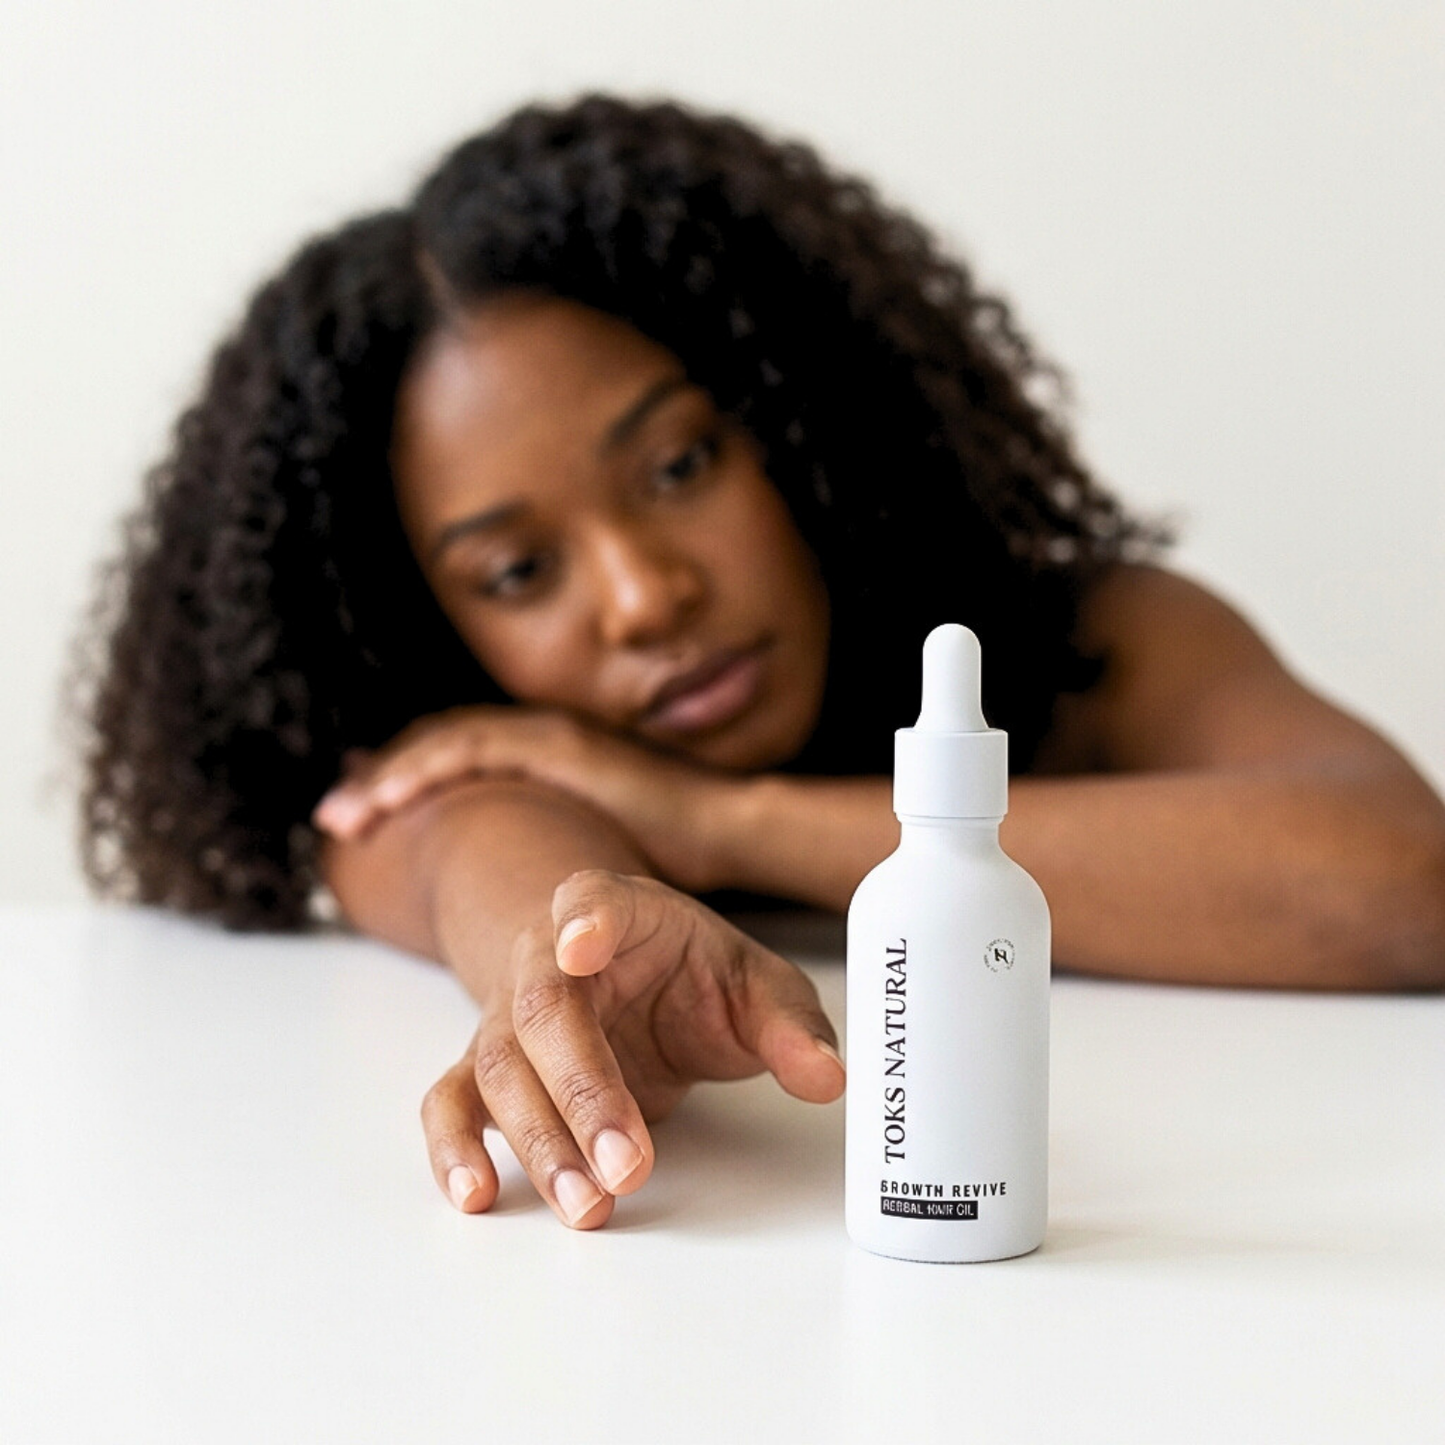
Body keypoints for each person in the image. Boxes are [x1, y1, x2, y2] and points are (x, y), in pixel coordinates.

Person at [75, 93, 1445, 1232]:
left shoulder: (1097, 647)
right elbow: (460, 851)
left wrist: (730, 825)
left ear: (806, 419)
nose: (643, 593)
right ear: (422, 618)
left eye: (678, 466)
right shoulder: (462, 760)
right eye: (518, 572)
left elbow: (1400, 884)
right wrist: (558, 984)